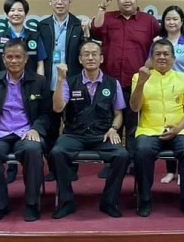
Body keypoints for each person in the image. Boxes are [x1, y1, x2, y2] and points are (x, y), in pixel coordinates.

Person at [0, 39, 51, 222]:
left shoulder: (39, 81)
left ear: (25, 59)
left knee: (33, 149)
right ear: (3, 59)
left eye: (18, 57)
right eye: (9, 57)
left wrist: (37, 130)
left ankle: (32, 203)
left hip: (26, 131)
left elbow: (47, 114)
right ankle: (1, 204)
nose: (13, 60)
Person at [50, 41, 129, 219]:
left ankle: (109, 201)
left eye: (94, 54)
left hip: (102, 135)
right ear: (80, 59)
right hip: (74, 134)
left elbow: (118, 114)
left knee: (122, 155)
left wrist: (114, 128)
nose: (90, 57)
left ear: (101, 58)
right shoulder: (69, 82)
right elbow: (57, 108)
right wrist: (61, 80)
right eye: (86, 54)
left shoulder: (112, 83)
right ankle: (66, 201)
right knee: (57, 152)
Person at [91, 0, 160, 179]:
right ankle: (111, 163)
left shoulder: (149, 22)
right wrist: (102, 7)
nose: (127, 0)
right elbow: (96, 31)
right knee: (110, 124)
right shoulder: (109, 17)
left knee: (132, 125)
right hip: (110, 82)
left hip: (136, 83)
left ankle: (130, 162)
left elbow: (159, 46)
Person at [130, 39, 184, 218]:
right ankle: (145, 200)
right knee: (142, 150)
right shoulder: (139, 77)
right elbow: (135, 108)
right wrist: (141, 84)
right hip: (149, 130)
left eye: (166, 54)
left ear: (174, 58)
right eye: (157, 54)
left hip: (180, 129)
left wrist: (177, 129)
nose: (162, 57)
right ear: (151, 58)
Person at [37, 0, 88, 182]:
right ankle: (53, 168)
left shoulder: (79, 25)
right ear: (50, 1)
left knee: (73, 129)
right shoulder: (42, 27)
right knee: (50, 128)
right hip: (49, 86)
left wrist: (87, 34)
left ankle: (71, 168)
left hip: (73, 86)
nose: (60, 2)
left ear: (70, 1)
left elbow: (86, 53)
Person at [0, 0, 47, 184]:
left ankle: (32, 167)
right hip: (6, 86)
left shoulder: (34, 35)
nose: (16, 13)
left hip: (31, 85)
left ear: (26, 14)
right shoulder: (0, 35)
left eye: (20, 10)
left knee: (29, 121)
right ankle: (11, 167)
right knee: (7, 120)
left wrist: (41, 82)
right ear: (7, 14)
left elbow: (40, 61)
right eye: (12, 10)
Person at [154, 5, 184, 184]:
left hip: (183, 94)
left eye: (175, 19)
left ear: (182, 22)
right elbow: (149, 67)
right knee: (165, 129)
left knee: (181, 132)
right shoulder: (158, 42)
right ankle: (171, 171)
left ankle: (183, 171)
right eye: (168, 19)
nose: (171, 22)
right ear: (163, 22)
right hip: (162, 95)